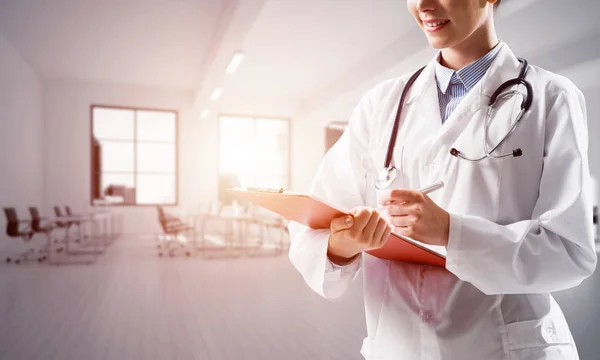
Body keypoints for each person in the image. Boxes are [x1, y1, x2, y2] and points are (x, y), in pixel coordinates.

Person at [287, 0, 598, 359]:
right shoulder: (381, 104)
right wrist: (341, 246)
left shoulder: (551, 98)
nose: (423, 4)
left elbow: (570, 252)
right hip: (398, 346)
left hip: (500, 347)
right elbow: (318, 222)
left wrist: (452, 232)